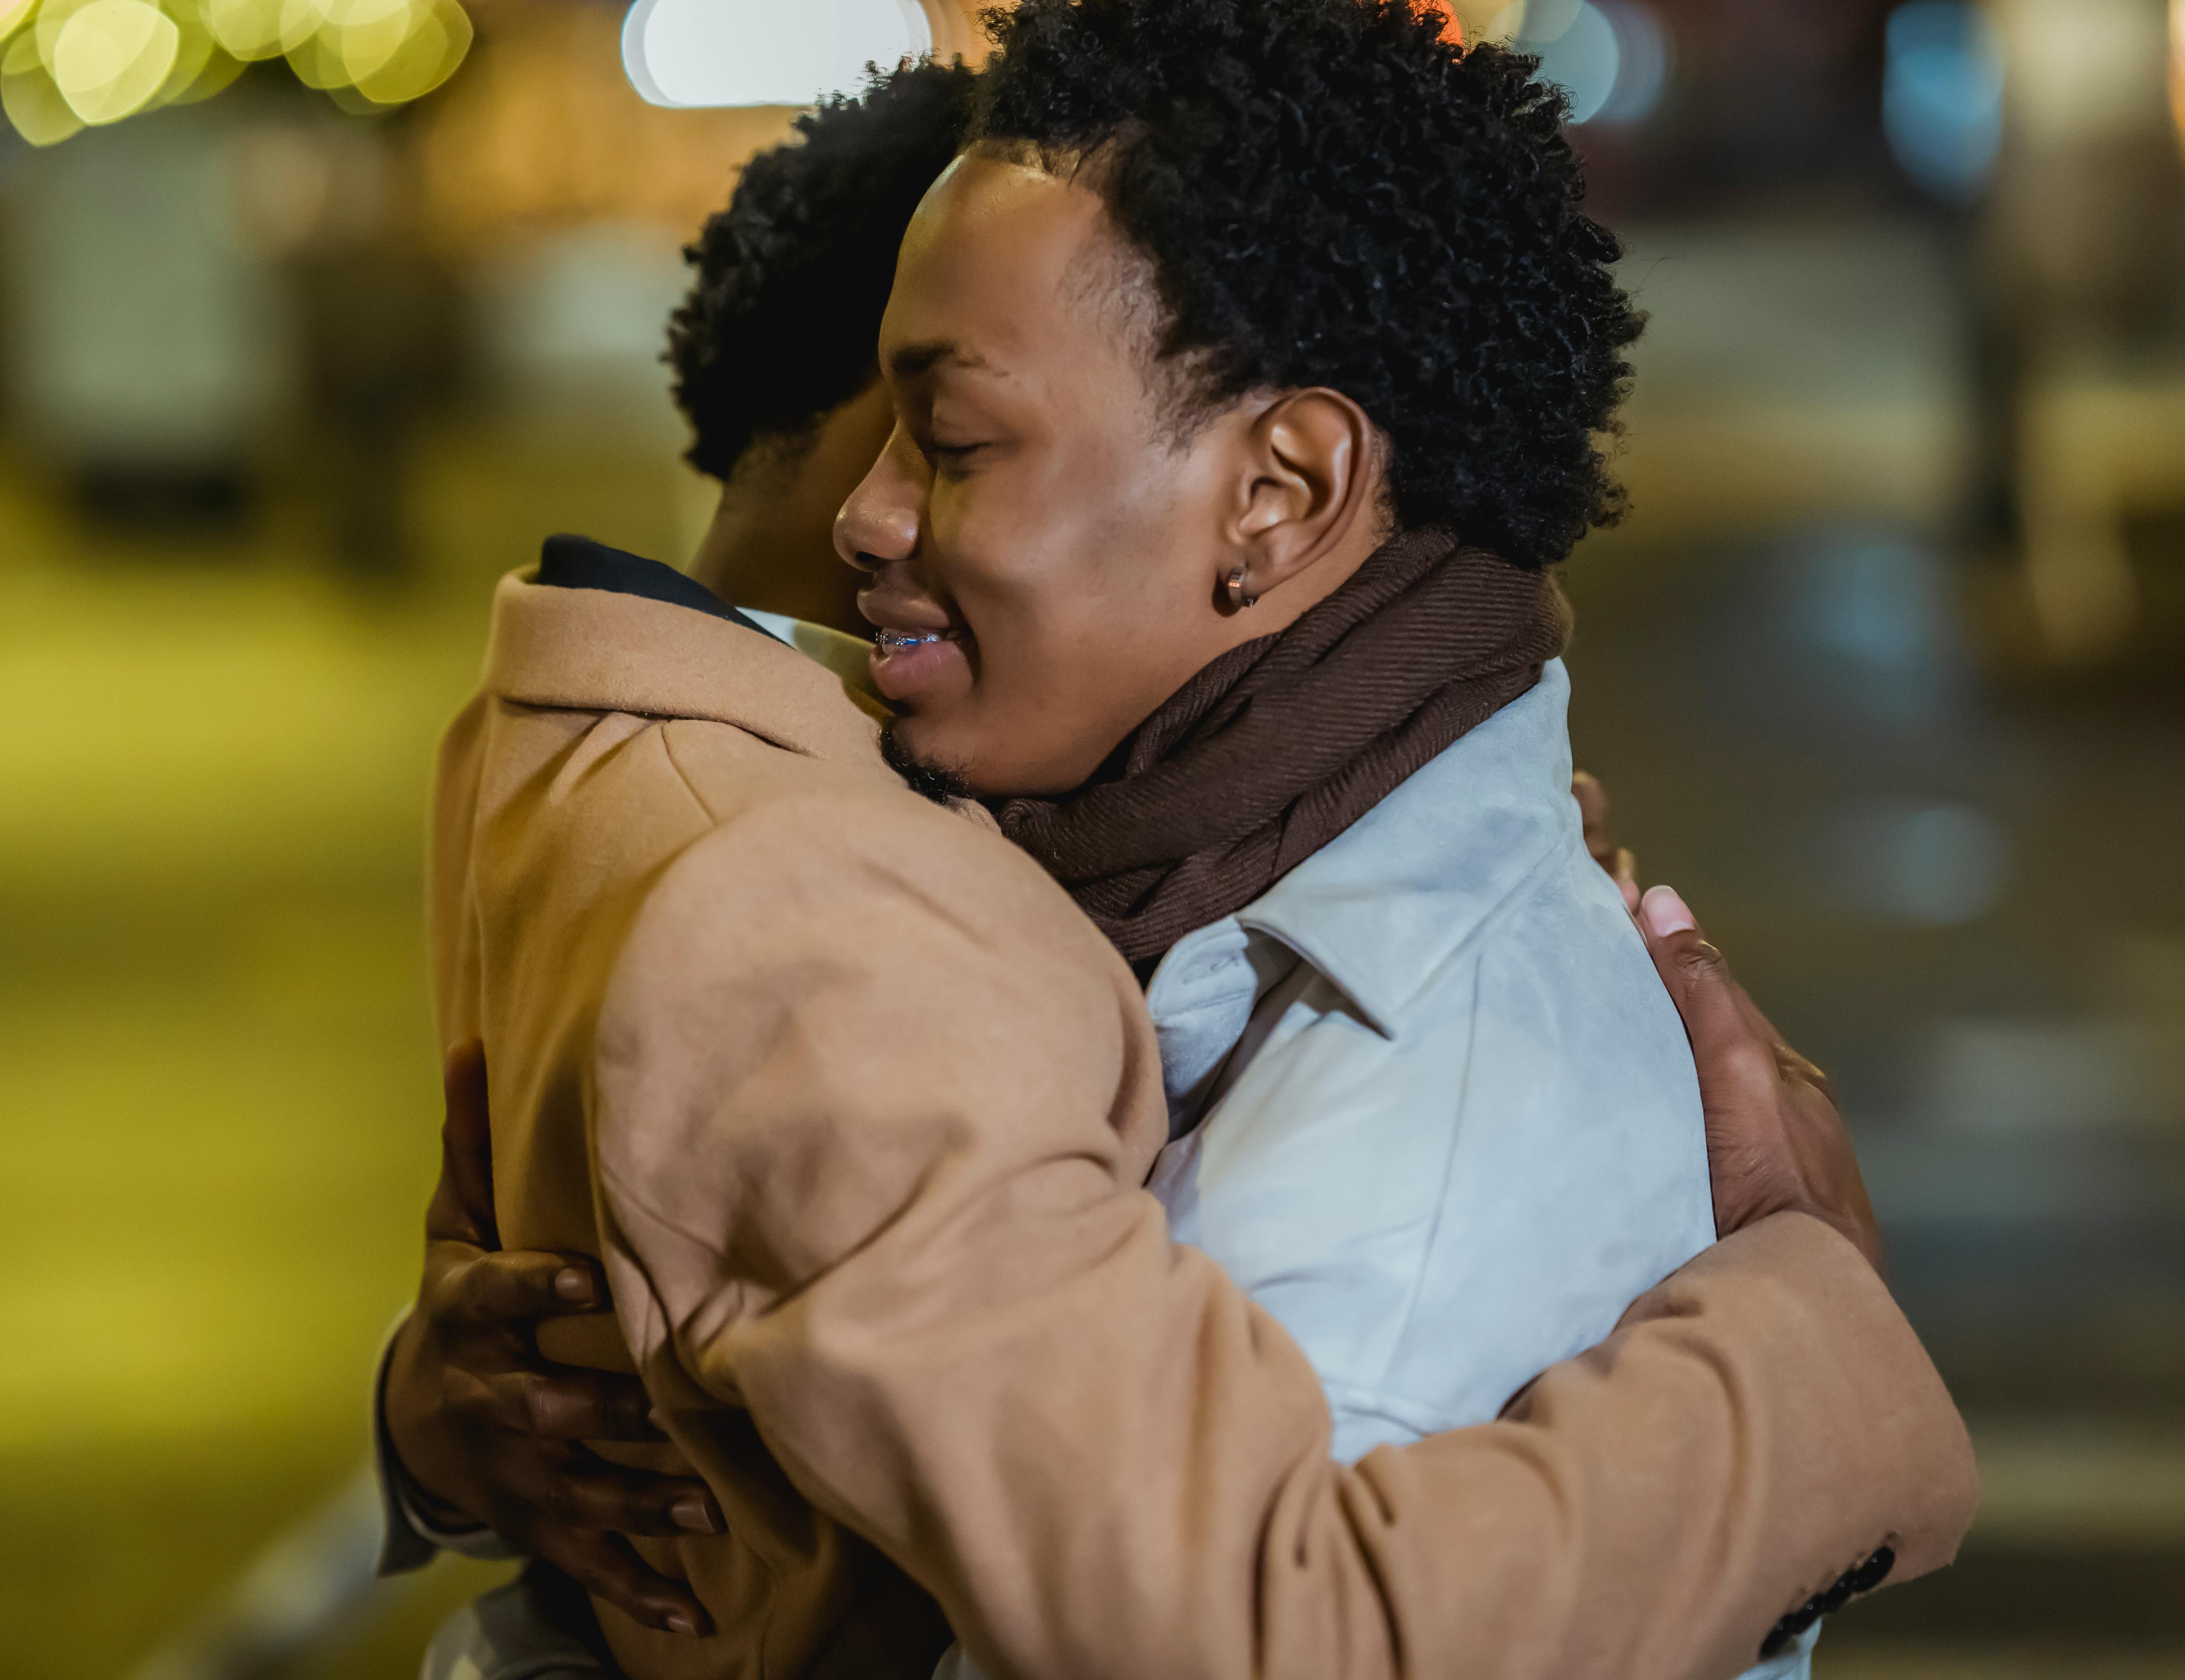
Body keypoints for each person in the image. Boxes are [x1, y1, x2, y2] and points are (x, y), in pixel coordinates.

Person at [380, 18, 1971, 1680]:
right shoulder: (1152, 875)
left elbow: (1278, 1637)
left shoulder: (1407, 1122)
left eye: (956, 440)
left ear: (1279, 495)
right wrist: (448, 1424)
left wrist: (1819, 1328)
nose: (866, 521)